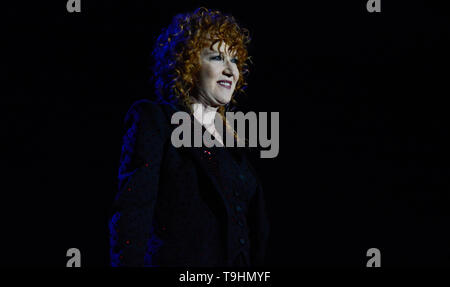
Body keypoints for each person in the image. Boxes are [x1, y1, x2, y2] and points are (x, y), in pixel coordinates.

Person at [109, 7, 269, 267]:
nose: (230, 69)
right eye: (217, 57)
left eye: (235, 60)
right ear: (188, 64)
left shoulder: (235, 145)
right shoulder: (155, 120)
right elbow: (132, 216)